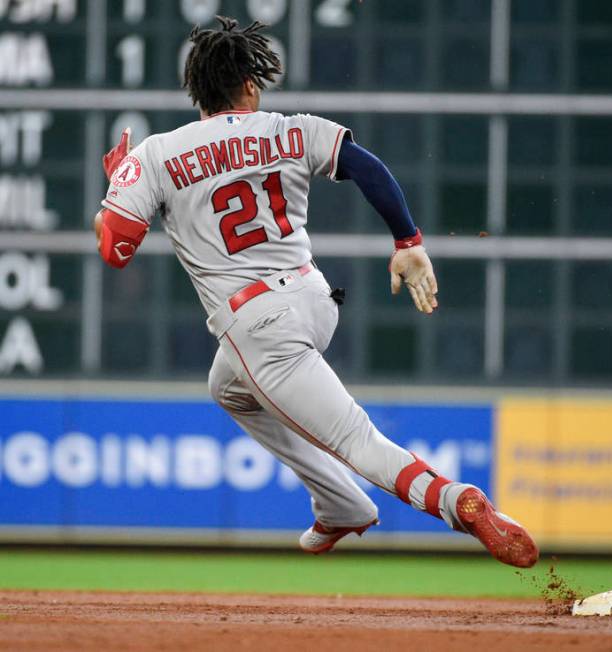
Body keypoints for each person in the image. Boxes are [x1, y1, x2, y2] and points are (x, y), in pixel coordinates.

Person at [92, 16, 538, 568]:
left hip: (257, 324)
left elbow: (115, 248)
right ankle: (340, 502)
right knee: (227, 388)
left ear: (196, 91)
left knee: (355, 439)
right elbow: (366, 167)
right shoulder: (289, 128)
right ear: (250, 85)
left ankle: (454, 500)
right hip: (312, 299)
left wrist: (117, 184)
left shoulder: (156, 155)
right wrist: (407, 239)